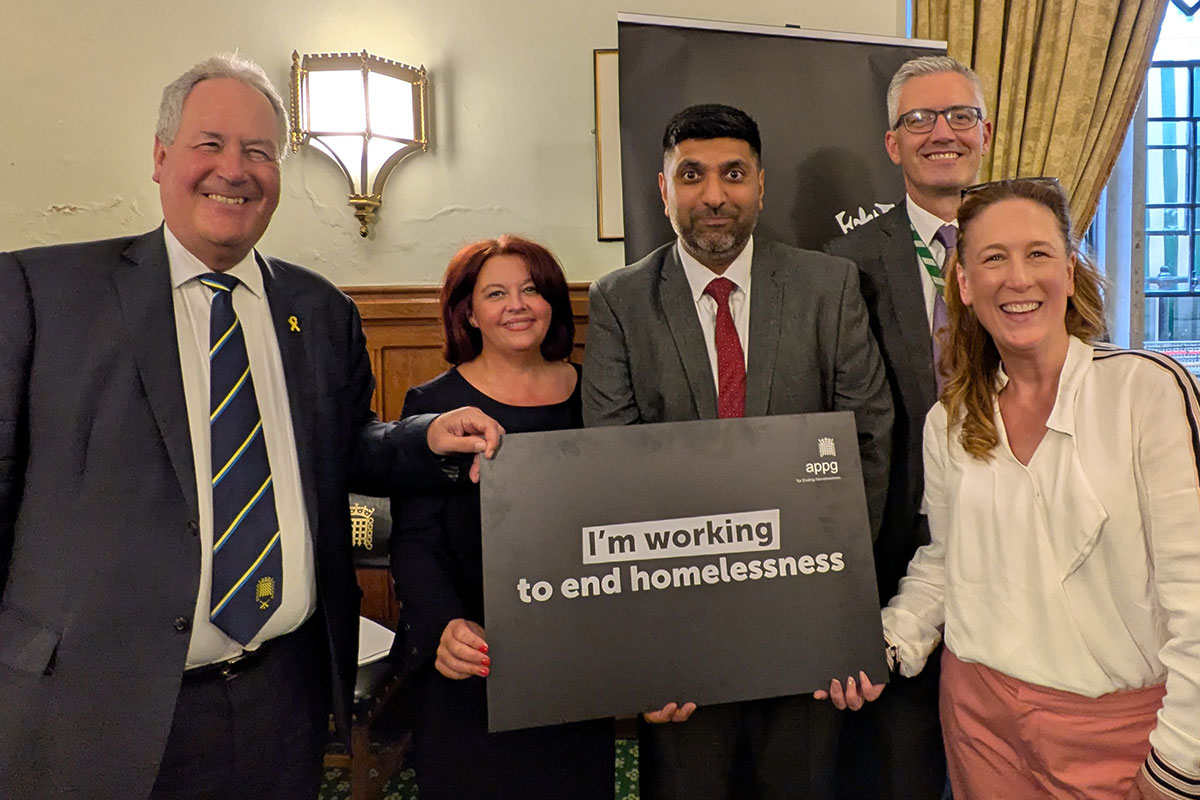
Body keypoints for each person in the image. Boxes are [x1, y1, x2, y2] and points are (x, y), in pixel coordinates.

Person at [0, 53, 502, 800]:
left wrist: (420, 438)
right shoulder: (42, 294)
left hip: (282, 701)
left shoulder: (320, 311)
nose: (234, 169)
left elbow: (343, 448)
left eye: (259, 151)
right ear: (161, 156)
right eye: (210, 144)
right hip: (98, 706)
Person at [582, 103, 893, 800]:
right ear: (663, 189)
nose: (714, 195)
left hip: (806, 621)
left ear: (761, 185)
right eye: (691, 175)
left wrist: (833, 594)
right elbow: (612, 465)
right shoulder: (619, 301)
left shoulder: (828, 287)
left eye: (733, 174)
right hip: (678, 636)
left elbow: (867, 442)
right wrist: (647, 642)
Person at [873, 178, 1200, 799]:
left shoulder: (1147, 393)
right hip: (978, 726)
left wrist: (1178, 769)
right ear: (964, 286)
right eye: (993, 258)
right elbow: (946, 561)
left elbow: (1198, 602)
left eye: (1039, 254)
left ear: (1070, 273)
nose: (1017, 278)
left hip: (1120, 737)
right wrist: (885, 643)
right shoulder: (949, 421)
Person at [390, 235, 614, 800]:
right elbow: (416, 540)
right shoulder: (432, 405)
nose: (517, 304)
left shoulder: (600, 395)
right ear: (468, 311)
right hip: (474, 656)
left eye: (532, 290)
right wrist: (442, 625)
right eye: (496, 293)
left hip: (579, 660)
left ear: (553, 304)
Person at [823, 54, 992, 799]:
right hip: (897, 538)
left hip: (1019, 532)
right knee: (899, 761)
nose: (941, 132)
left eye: (959, 116)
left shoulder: (1034, 247)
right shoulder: (843, 264)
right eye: (919, 118)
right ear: (893, 144)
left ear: (984, 132)